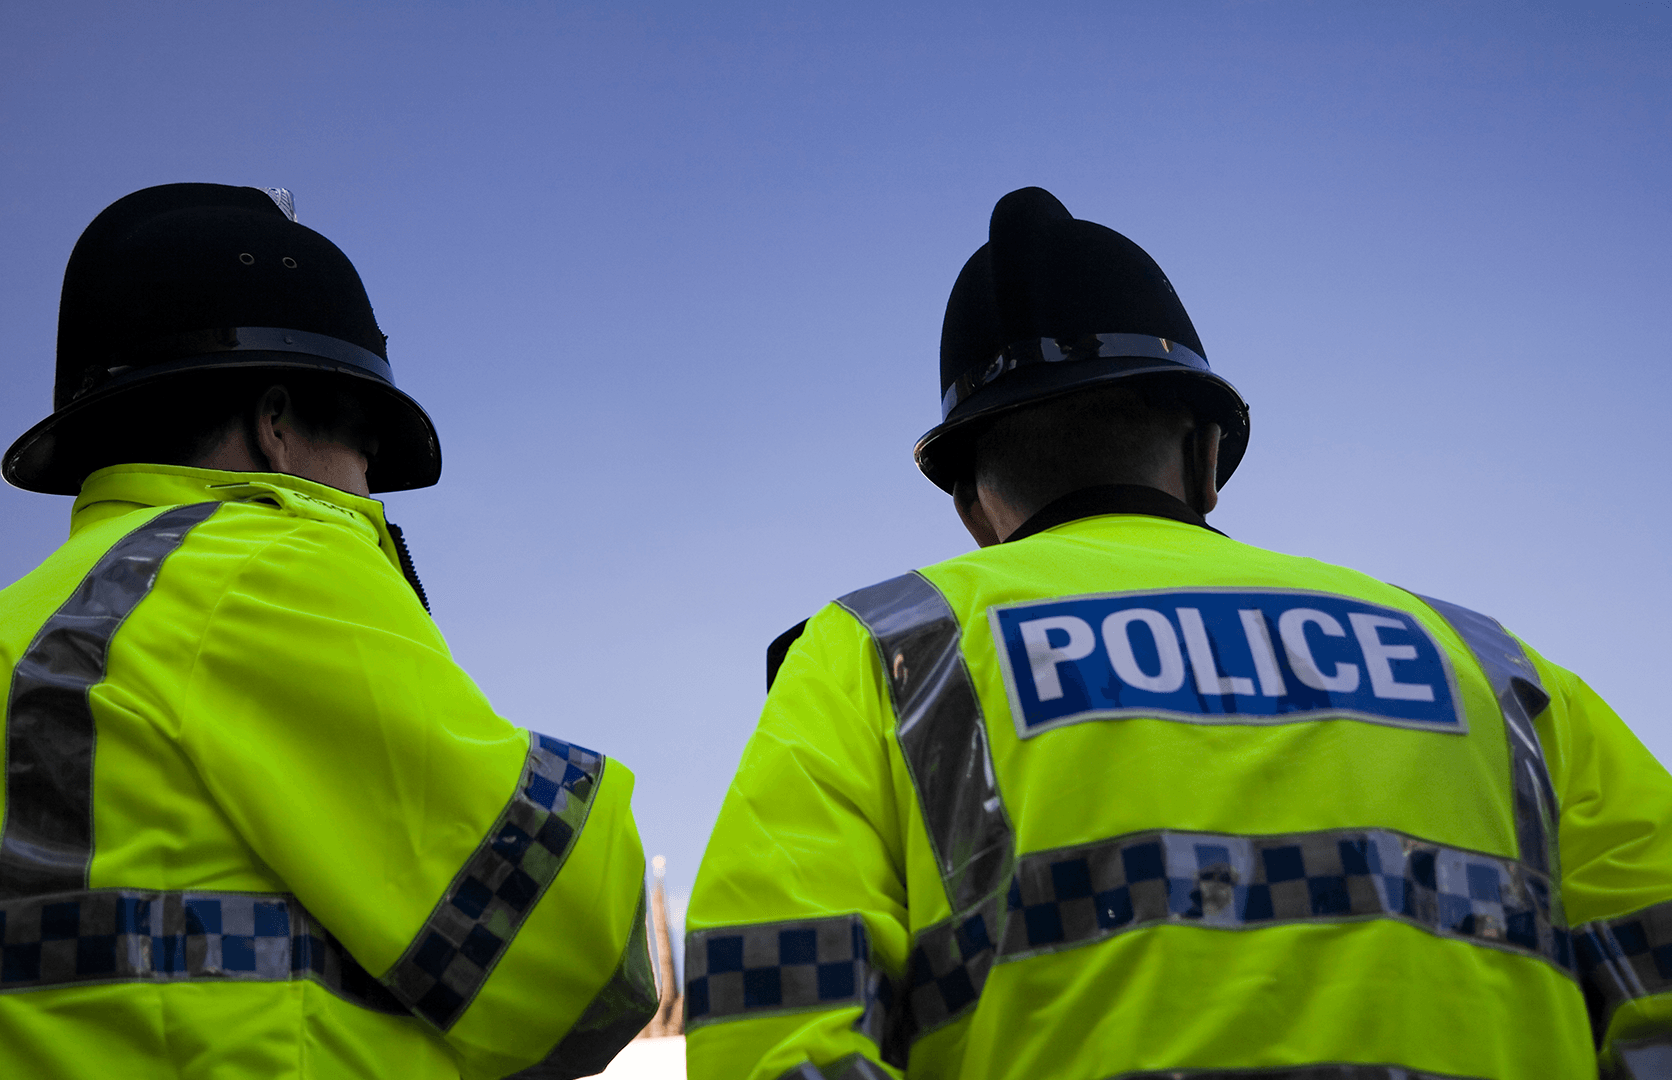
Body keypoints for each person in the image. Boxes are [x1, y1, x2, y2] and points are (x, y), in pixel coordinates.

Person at [683, 187, 1672, 1079]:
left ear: (976, 511)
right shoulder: (1495, 667)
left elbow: (772, 1022)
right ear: (1205, 458)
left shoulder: (881, 652)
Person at [0, 183, 656, 1078]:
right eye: (366, 453)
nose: (369, 493)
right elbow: (577, 949)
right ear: (278, 428)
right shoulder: (254, 568)